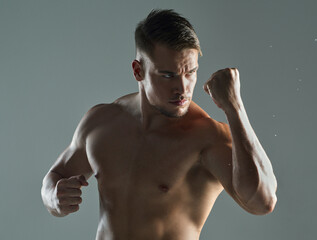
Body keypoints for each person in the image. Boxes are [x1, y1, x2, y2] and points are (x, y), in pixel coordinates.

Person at [41, 9, 277, 240]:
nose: (183, 88)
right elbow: (55, 176)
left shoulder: (207, 137)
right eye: (168, 75)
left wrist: (235, 108)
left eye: (190, 72)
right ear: (138, 70)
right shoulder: (102, 122)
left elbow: (262, 202)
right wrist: (53, 196)